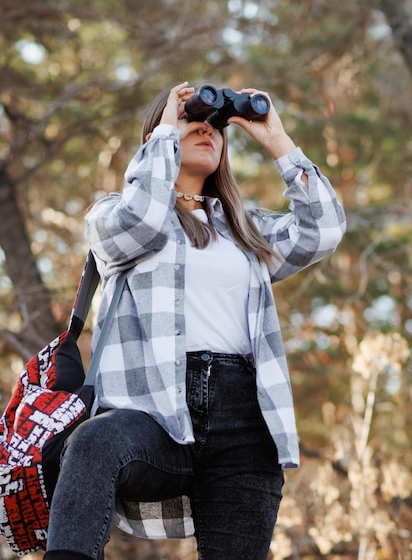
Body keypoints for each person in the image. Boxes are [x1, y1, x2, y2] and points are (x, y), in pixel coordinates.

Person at [43, 81, 346, 560]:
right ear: (157, 139)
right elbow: (141, 218)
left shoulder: (245, 230)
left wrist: (276, 141)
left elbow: (323, 229)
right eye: (191, 123)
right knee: (95, 443)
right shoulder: (114, 216)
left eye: (215, 128)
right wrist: (165, 128)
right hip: (152, 413)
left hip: (245, 419)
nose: (207, 130)